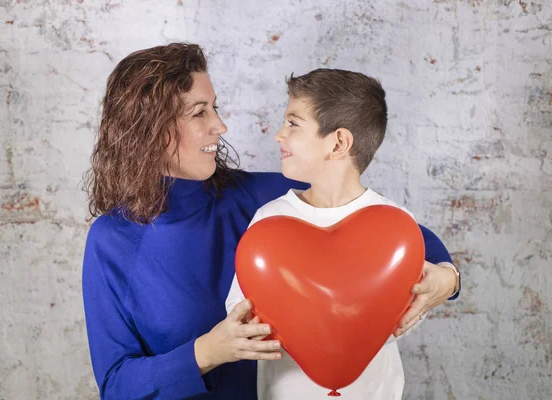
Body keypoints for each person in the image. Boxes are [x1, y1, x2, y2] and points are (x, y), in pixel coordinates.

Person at [82, 43, 460, 399]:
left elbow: (392, 230)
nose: (221, 126)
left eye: (215, 107)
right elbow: (116, 385)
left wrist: (449, 276)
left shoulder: (260, 196)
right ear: (151, 130)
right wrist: (207, 352)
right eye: (200, 112)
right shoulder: (111, 242)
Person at [225, 68, 459, 399]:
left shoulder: (395, 225)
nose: (279, 134)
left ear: (338, 143)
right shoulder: (269, 220)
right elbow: (240, 309)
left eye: (293, 123)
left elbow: (402, 319)